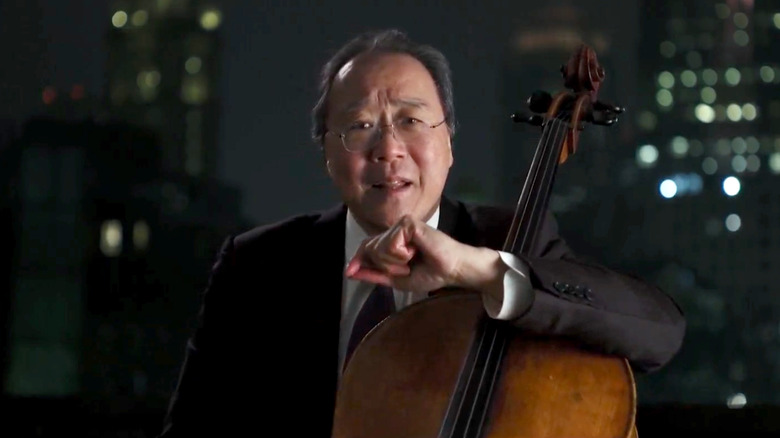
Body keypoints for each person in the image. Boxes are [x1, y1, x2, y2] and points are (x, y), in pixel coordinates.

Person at [157, 28, 685, 437]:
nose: (388, 149)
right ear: (327, 154)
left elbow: (659, 332)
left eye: (411, 121)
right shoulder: (258, 264)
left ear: (449, 144)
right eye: (360, 126)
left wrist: (477, 269)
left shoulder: (508, 239)